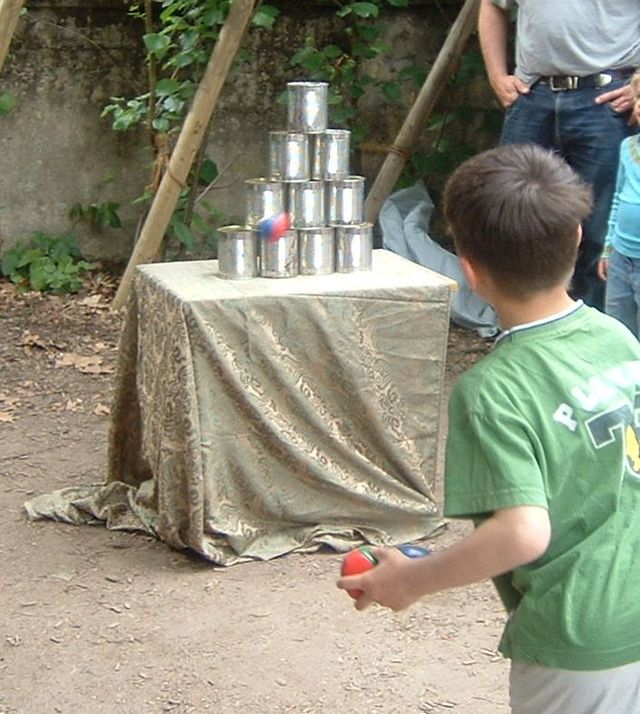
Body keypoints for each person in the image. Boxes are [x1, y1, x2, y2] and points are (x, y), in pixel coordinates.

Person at [337, 144, 640, 713]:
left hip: (580, 640)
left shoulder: (491, 392)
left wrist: (410, 582)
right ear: (578, 238)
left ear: (468, 272)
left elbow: (523, 533)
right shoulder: (616, 338)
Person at [477, 0, 640, 311]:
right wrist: (497, 76)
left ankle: (594, 344)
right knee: (514, 223)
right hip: (530, 98)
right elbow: (491, 6)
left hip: (608, 101)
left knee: (600, 234)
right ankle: (523, 333)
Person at [598, 72, 640, 339]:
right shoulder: (627, 147)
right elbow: (617, 198)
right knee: (619, 331)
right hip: (620, 258)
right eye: (639, 98)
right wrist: (607, 249)